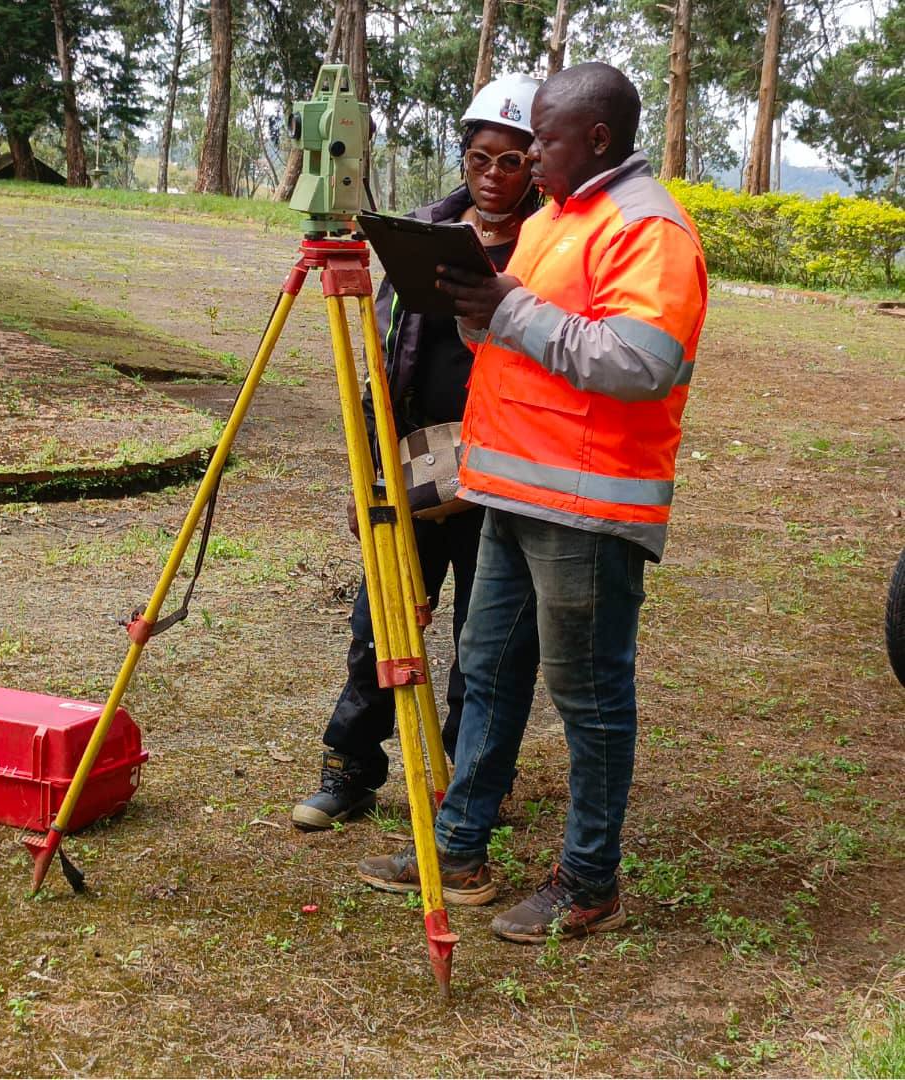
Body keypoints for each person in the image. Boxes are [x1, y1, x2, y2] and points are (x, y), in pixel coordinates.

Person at [357, 62, 709, 941]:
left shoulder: (648, 228)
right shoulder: (555, 218)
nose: (527, 153)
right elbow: (525, 336)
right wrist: (474, 308)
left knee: (588, 697)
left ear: (596, 138)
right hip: (512, 490)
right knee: (488, 673)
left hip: (588, 508)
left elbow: (638, 361)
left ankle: (589, 880)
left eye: (542, 139)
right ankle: (459, 848)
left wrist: (507, 310)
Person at [292, 74, 544, 831]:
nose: (493, 176)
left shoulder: (553, 243)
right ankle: (351, 768)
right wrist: (373, 466)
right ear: (462, 155)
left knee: (485, 642)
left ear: (538, 165)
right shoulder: (423, 230)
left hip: (501, 473)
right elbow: (382, 357)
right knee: (381, 618)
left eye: (512, 162)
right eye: (479, 158)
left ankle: (469, 785)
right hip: (414, 463)